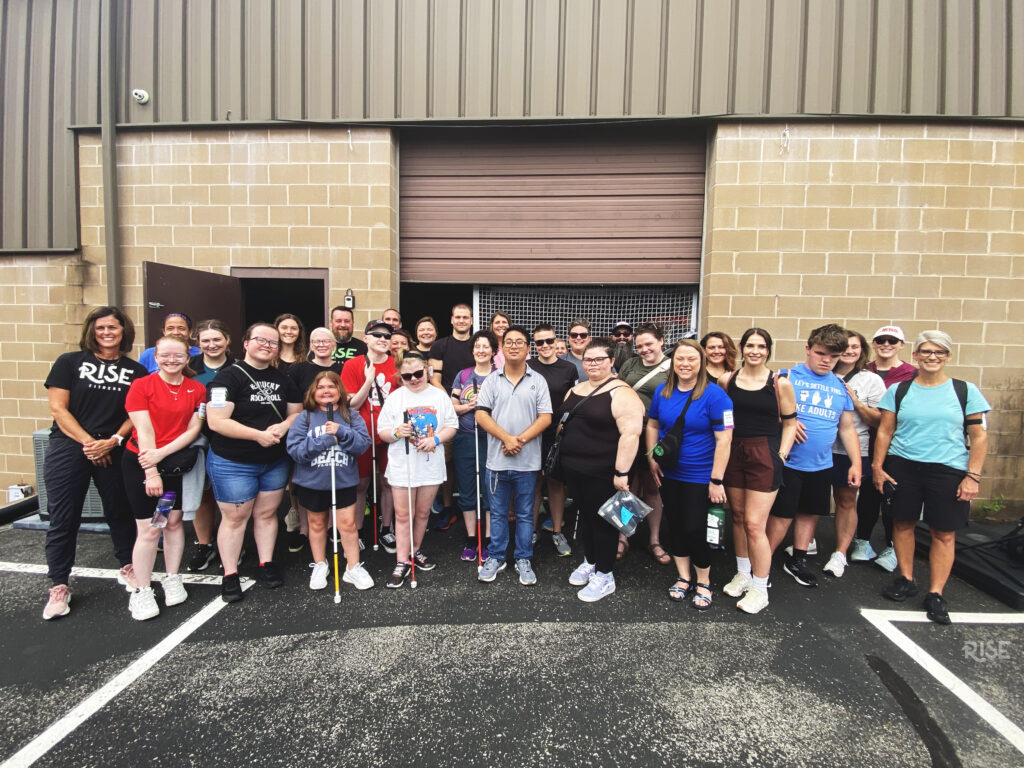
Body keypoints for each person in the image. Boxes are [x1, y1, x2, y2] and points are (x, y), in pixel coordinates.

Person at [874, 331, 990, 625]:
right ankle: (906, 578)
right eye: (926, 351)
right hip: (904, 466)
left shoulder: (965, 391)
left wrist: (972, 477)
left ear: (948, 357)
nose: (932, 357)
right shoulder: (899, 390)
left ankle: (936, 592)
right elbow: (885, 431)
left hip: (948, 469)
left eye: (939, 352)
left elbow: (978, 437)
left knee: (943, 532)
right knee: (902, 523)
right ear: (915, 355)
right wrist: (877, 467)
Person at [41, 307, 148, 620]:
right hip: (70, 446)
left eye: (113, 327)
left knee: (120, 510)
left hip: (113, 446)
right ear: (92, 330)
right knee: (64, 516)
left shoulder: (135, 370)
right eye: (101, 327)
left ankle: (128, 566)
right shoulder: (69, 363)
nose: (107, 332)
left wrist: (113, 441)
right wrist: (89, 443)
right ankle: (59, 584)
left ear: (123, 331)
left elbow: (135, 414)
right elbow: (58, 410)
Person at [206, 323, 303, 603]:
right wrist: (257, 436)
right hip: (233, 461)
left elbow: (296, 413)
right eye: (261, 340)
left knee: (266, 514)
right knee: (236, 518)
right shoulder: (228, 379)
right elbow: (217, 421)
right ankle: (230, 573)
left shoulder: (283, 378)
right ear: (246, 342)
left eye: (273, 342)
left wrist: (283, 428)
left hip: (273, 461)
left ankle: (266, 563)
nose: (268, 345)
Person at [766, 324, 862, 589]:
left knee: (809, 513)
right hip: (788, 461)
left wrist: (856, 463)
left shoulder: (840, 386)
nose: (826, 360)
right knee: (782, 515)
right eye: (820, 353)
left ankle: (797, 559)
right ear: (808, 349)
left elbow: (846, 427)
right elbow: (762, 413)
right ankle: (761, 561)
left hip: (821, 463)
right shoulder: (786, 377)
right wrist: (786, 421)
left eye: (833, 356)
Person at [122, 336, 205, 620]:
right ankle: (142, 590)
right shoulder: (142, 386)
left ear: (187, 358)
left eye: (178, 355)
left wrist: (162, 456)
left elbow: (193, 429)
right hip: (143, 464)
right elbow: (143, 431)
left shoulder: (196, 389)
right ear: (155, 357)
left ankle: (172, 576)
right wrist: (151, 469)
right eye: (165, 355)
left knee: (170, 522)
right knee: (149, 529)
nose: (171, 360)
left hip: (173, 465)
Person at [647, 340, 733, 611]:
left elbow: (725, 440)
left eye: (691, 359)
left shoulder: (716, 396)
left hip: (700, 476)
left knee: (696, 528)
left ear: (702, 363)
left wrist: (717, 479)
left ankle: (704, 581)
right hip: (670, 473)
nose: (685, 364)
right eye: (680, 359)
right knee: (677, 526)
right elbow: (652, 424)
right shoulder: (663, 391)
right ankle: (683, 577)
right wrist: (651, 457)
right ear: (673, 363)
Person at [559, 338, 644, 602]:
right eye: (588, 359)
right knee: (585, 517)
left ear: (611, 361)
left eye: (598, 359)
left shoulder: (621, 392)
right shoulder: (577, 389)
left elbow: (631, 434)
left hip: (604, 472)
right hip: (576, 469)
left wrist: (621, 473)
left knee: (605, 522)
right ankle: (591, 561)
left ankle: (606, 575)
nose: (592, 364)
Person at [719, 328, 798, 614]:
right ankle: (743, 572)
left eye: (761, 346)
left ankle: (760, 587)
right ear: (741, 348)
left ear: (768, 350)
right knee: (738, 517)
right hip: (734, 451)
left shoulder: (780, 382)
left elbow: (790, 423)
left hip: (764, 452)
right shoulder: (727, 379)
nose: (755, 350)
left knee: (755, 523)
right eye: (750, 345)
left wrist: (781, 456)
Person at [475, 327, 552, 585]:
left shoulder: (538, 381)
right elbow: (481, 414)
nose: (515, 346)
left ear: (528, 348)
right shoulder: (492, 380)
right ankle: (496, 556)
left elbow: (546, 417)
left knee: (525, 513)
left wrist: (519, 440)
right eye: (509, 342)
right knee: (496, 513)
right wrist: (506, 439)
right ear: (502, 348)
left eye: (520, 342)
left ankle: (523, 558)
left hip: (528, 462)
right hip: (497, 461)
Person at [377, 353, 458, 588]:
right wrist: (395, 433)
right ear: (400, 377)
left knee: (423, 513)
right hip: (404, 465)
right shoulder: (395, 398)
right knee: (403, 516)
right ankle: (401, 561)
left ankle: (415, 551)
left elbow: (451, 425)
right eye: (407, 376)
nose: (413, 379)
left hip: (429, 464)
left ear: (427, 371)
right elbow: (383, 432)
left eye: (418, 374)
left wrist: (436, 439)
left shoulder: (439, 396)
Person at [286, 371, 373, 591]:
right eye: (321, 387)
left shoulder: (352, 416)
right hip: (313, 482)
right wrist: (325, 439)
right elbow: (295, 451)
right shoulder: (303, 418)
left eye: (331, 387)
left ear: (339, 391)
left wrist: (342, 432)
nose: (326, 391)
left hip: (342, 480)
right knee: (317, 524)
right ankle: (320, 564)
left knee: (348, 525)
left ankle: (353, 568)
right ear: (313, 392)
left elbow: (363, 444)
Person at [854, 325, 919, 571]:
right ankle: (862, 541)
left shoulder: (911, 374)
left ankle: (893, 546)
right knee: (869, 494)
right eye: (881, 339)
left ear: (902, 345)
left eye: (893, 340)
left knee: (893, 496)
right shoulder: (864, 371)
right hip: (867, 441)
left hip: (898, 445)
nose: (886, 344)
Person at [823, 330, 885, 578]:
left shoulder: (871, 380)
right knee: (808, 498)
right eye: (844, 346)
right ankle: (804, 543)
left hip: (852, 448)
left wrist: (856, 402)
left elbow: (879, 419)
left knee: (846, 500)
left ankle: (840, 553)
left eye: (855, 347)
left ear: (862, 351)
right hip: (821, 446)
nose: (849, 351)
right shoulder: (822, 372)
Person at [616, 323, 672, 565]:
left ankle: (654, 539)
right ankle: (622, 535)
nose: (643, 349)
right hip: (628, 433)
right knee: (627, 484)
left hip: (656, 433)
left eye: (649, 344)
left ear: (661, 341)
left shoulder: (672, 368)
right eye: (639, 345)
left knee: (652, 485)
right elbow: (617, 389)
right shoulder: (630, 364)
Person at [285, 327, 344, 552]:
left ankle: (330, 527)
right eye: (316, 341)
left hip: (334, 424)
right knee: (303, 481)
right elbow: (293, 401)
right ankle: (304, 529)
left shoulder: (342, 368)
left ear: (333, 345)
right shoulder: (299, 369)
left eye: (326, 341)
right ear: (310, 345)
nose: (321, 344)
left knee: (331, 478)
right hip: (306, 425)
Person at [342, 321, 398, 549]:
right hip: (362, 434)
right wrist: (368, 379)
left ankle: (386, 528)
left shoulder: (396, 365)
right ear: (366, 338)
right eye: (377, 335)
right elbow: (352, 405)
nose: (383, 339)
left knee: (388, 483)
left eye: (387, 336)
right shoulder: (353, 365)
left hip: (389, 434)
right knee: (360, 485)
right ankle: (358, 530)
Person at [186, 319, 235, 572]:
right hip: (195, 439)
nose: (212, 344)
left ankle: (234, 544)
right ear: (197, 344)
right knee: (202, 495)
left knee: (229, 497)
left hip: (229, 439)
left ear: (227, 340)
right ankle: (204, 544)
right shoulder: (188, 368)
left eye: (217, 339)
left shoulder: (238, 368)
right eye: (205, 340)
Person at [527, 323, 578, 557]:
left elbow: (573, 403)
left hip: (558, 434)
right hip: (532, 432)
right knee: (534, 483)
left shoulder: (568, 368)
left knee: (556, 483)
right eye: (540, 342)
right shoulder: (527, 367)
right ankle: (532, 531)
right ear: (534, 345)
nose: (545, 346)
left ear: (557, 341)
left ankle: (557, 531)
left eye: (550, 341)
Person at [451, 330, 498, 561]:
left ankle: (488, 539)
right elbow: (452, 406)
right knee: (467, 488)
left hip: (490, 438)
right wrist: (471, 406)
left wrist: (486, 410)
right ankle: (471, 538)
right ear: (472, 350)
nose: (481, 350)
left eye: (486, 346)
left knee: (489, 487)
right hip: (466, 437)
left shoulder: (500, 375)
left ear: (493, 351)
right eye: (477, 346)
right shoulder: (463, 375)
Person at [428, 304, 475, 519]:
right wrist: (451, 403)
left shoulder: (478, 345)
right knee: (446, 462)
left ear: (471, 320)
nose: (462, 320)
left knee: (471, 461)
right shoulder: (440, 346)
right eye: (458, 317)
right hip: (447, 411)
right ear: (452, 320)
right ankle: (448, 507)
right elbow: (434, 379)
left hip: (474, 410)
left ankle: (475, 506)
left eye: (466, 317)